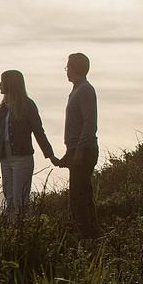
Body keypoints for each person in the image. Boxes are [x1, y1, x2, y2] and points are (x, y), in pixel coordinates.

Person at [0, 70, 57, 222]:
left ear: (11, 84)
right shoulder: (1, 109)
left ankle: (20, 230)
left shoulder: (27, 105)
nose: (0, 85)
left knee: (20, 200)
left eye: (3, 81)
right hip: (5, 159)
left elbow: (38, 131)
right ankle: (12, 231)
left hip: (22, 159)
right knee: (10, 198)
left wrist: (50, 155)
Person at [53, 52, 99, 237]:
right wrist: (69, 153)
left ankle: (88, 236)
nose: (66, 71)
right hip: (76, 149)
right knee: (80, 196)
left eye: (68, 67)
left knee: (79, 198)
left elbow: (89, 123)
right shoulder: (77, 90)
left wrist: (79, 151)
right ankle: (89, 234)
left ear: (75, 69)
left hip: (85, 150)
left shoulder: (86, 90)